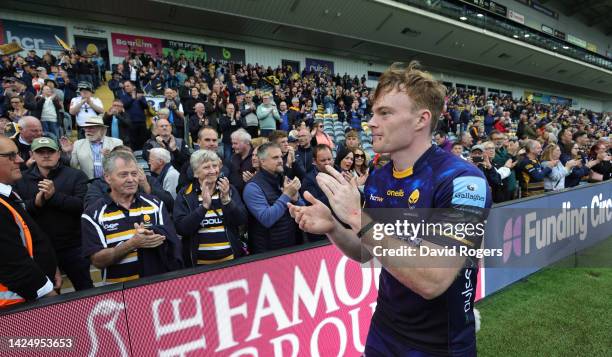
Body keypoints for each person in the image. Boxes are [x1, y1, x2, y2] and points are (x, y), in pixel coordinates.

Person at [287, 61, 491, 356]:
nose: (371, 122)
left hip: (441, 345)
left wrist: (358, 217)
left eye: (385, 113)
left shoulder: (463, 181)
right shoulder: (380, 177)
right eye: (372, 112)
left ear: (421, 119)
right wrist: (333, 226)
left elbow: (433, 280)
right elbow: (365, 251)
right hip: (385, 330)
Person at [81, 150, 182, 284]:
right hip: (118, 294)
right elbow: (98, 261)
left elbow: (172, 244)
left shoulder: (155, 204)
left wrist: (155, 235)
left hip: (157, 288)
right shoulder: (93, 214)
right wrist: (132, 244)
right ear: (107, 177)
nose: (131, 179)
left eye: (134, 174)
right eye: (123, 175)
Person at [14, 137, 93, 291]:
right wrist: (36, 203)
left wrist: (54, 197)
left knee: (85, 289)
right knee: (49, 295)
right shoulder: (20, 179)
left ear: (58, 153)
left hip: (73, 246)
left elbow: (83, 206)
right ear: (32, 154)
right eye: (40, 152)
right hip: (40, 249)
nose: (45, 155)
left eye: (50, 151)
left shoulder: (75, 175)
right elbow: (17, 210)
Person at [0, 136, 60, 307]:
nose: (20, 160)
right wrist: (48, 292)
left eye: (17, 154)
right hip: (15, 308)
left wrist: (49, 267)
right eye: (11, 156)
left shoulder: (8, 195)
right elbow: (12, 263)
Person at [174, 150, 247, 266]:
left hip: (231, 261)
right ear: (195, 173)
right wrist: (203, 208)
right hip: (199, 267)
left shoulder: (229, 189)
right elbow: (181, 228)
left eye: (215, 166)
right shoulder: (185, 194)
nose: (213, 171)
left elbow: (241, 220)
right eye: (206, 167)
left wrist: (227, 201)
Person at [243, 142, 304, 253]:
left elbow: (303, 210)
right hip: (267, 253)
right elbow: (267, 219)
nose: (281, 160)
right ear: (263, 161)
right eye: (275, 157)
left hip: (291, 246)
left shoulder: (284, 179)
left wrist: (297, 200)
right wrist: (286, 195)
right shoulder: (252, 187)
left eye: (281, 156)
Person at [84, 146, 174, 211]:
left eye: (129, 159)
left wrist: (146, 186)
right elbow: (91, 208)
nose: (130, 179)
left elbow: (169, 204)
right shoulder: (99, 183)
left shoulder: (148, 180)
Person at [63, 115, 123, 180]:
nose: (87, 130)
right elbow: (73, 166)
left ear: (102, 129)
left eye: (91, 127)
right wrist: (69, 152)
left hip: (111, 181)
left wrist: (110, 156)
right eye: (86, 127)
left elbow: (122, 165)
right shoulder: (78, 144)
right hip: (88, 183)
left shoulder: (116, 143)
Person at [300, 144, 333, 242]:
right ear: (314, 161)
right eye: (323, 160)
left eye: (329, 159)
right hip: (322, 232)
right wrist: (334, 192)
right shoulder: (308, 180)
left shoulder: (340, 173)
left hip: (342, 227)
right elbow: (314, 204)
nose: (327, 163)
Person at [119, 80, 149, 150]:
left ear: (133, 87)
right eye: (125, 86)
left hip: (142, 121)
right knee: (133, 142)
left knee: (143, 141)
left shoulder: (139, 95)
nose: (126, 88)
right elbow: (124, 106)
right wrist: (132, 99)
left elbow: (146, 107)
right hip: (131, 123)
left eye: (128, 86)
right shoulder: (123, 96)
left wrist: (140, 99)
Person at [228, 128, 254, 193]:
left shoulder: (256, 156)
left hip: (250, 194)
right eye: (232, 143)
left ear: (247, 142)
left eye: (235, 143)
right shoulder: (234, 157)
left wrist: (253, 180)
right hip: (235, 195)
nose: (232, 146)